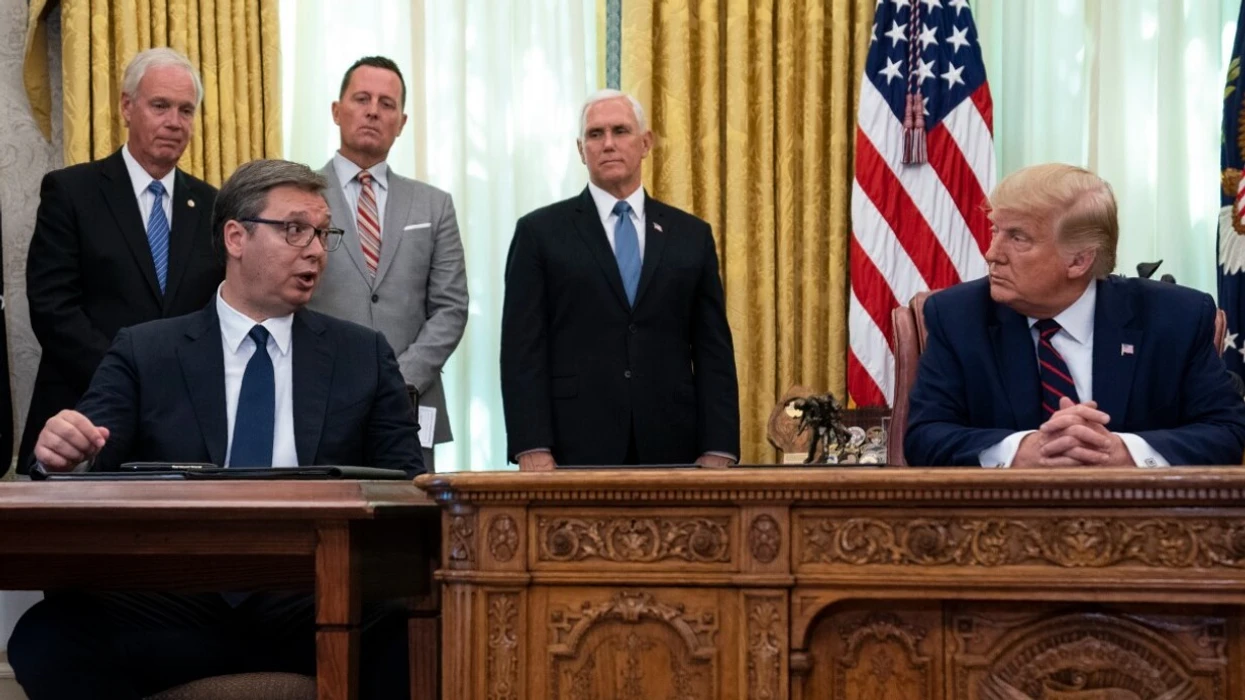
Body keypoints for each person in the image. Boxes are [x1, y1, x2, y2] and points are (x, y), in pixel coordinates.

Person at [9, 159, 422, 700]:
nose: (316, 250)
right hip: (179, 599)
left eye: (323, 234)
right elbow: (88, 449)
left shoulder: (362, 354)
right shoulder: (146, 350)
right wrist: (67, 453)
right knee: (48, 637)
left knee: (416, 630)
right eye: (295, 229)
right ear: (235, 237)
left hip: (316, 598)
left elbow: (407, 486)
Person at [904, 163, 1245, 467]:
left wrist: (1122, 452)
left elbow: (1226, 432)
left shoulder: (1175, 319)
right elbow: (924, 437)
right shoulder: (958, 316)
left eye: (1018, 238)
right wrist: (1021, 450)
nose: (992, 253)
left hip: (1137, 515)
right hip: (1002, 516)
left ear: (1079, 261)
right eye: (996, 231)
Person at [500, 89, 740, 469]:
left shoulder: (691, 236)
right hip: (572, 447)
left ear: (645, 143)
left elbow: (713, 350)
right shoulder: (539, 233)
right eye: (595, 134)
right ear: (581, 150)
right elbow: (521, 351)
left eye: (620, 131)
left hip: (673, 445)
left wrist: (719, 446)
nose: (608, 143)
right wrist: (531, 445)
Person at [19, 47, 224, 475]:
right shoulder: (71, 192)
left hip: (184, 427)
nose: (174, 122)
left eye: (186, 110)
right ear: (127, 107)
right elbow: (53, 309)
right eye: (160, 106)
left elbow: (217, 310)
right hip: (83, 420)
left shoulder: (213, 207)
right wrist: (132, 376)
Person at [309, 56, 468, 472]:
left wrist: (398, 378)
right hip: (319, 395)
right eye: (361, 99)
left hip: (411, 402)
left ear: (401, 122)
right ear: (336, 110)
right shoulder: (300, 196)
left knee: (410, 511)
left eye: (387, 103)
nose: (373, 111)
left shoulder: (434, 205)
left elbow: (451, 308)